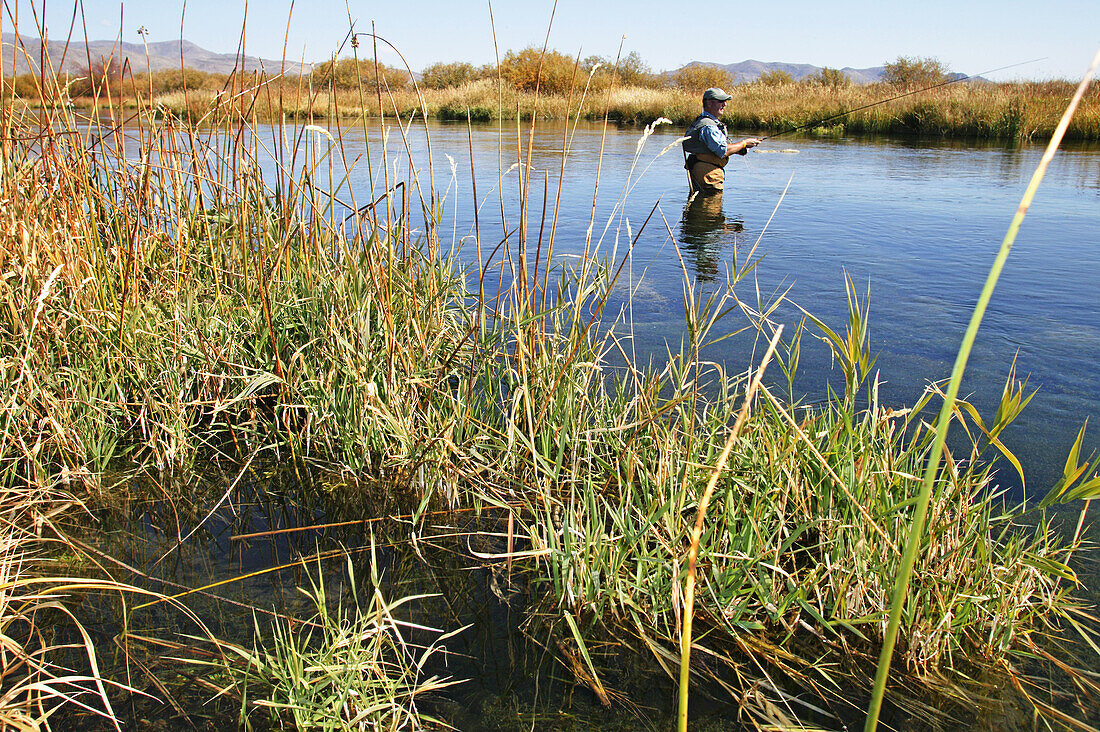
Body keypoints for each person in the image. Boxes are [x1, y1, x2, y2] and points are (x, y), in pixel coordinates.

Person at [682, 88, 761, 194]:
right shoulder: (709, 126)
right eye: (721, 101)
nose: (725, 104)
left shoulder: (703, 121)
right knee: (711, 208)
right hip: (708, 175)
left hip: (704, 172)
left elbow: (711, 149)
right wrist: (744, 143)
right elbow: (723, 151)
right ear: (709, 103)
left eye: (725, 101)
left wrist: (739, 149)